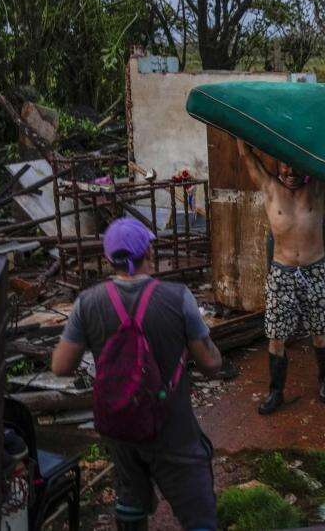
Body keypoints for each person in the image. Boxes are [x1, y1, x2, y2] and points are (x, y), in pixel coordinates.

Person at [52, 217, 223, 531]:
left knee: (130, 495)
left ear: (108, 259)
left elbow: (61, 366)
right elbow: (211, 364)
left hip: (120, 425)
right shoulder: (178, 297)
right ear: (149, 252)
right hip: (172, 428)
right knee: (198, 509)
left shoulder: (86, 303)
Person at [237, 138, 325, 414]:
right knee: (276, 336)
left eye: (297, 169)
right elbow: (246, 154)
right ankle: (276, 392)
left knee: (320, 334)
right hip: (282, 272)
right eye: (286, 167)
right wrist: (237, 128)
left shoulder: (317, 187)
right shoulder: (270, 187)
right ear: (278, 165)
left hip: (315, 269)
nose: (291, 174)